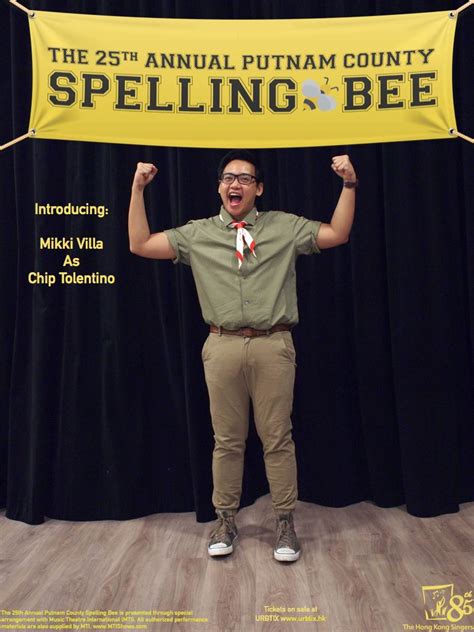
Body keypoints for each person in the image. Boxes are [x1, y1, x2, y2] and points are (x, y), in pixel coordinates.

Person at [128, 149, 357, 562]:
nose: (235, 184)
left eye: (245, 178)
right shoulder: (198, 234)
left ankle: (285, 523)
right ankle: (225, 520)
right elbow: (140, 244)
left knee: (277, 438)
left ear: (259, 189)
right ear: (219, 187)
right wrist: (138, 189)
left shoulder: (283, 227)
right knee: (227, 441)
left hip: (273, 345)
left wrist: (349, 183)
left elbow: (338, 233)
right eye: (229, 178)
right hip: (222, 346)